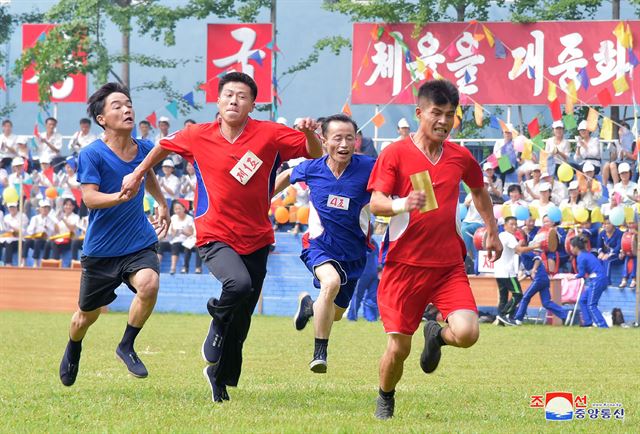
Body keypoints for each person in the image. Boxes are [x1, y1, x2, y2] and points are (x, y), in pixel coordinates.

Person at [120, 72, 322, 402]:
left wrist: (309, 134)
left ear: (252, 104)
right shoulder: (197, 135)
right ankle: (216, 316)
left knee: (242, 320)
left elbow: (312, 152)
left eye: (242, 96)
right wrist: (138, 172)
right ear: (218, 101)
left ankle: (218, 376)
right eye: (228, 94)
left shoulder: (270, 134)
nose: (234, 100)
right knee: (238, 286)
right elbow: (162, 146)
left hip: (257, 236)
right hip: (214, 233)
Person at [366, 79, 502, 420]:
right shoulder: (394, 153)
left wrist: (492, 229)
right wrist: (401, 204)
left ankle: (437, 335)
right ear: (419, 113)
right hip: (403, 267)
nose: (443, 121)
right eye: (436, 113)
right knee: (399, 349)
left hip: (447, 267)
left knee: (469, 333)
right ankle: (386, 397)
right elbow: (376, 202)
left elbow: (479, 190)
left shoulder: (460, 156)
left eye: (450, 114)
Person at [58, 82, 170, 388]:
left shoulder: (144, 148)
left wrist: (161, 202)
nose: (127, 109)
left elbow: (146, 175)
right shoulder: (92, 154)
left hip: (138, 241)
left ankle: (126, 345)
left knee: (149, 283)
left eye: (129, 104)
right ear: (102, 119)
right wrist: (121, 196)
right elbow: (89, 199)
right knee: (85, 317)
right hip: (101, 250)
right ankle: (74, 347)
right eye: (117, 106)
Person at [277, 114, 375, 373]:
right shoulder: (313, 168)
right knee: (330, 282)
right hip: (319, 245)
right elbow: (287, 174)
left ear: (357, 141)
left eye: (350, 139)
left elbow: (397, 178)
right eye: (337, 138)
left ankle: (310, 305)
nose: (344, 144)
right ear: (325, 141)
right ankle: (319, 353)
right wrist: (262, 198)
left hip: (354, 253)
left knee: (337, 313)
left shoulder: (369, 167)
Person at [494, 216, 539, 326]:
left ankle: (500, 320)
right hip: (508, 272)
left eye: (515, 225)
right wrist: (534, 247)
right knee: (518, 294)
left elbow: (514, 251)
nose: (514, 227)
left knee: (503, 297)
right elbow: (519, 250)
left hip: (499, 271)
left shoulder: (501, 235)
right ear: (505, 226)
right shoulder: (509, 236)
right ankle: (503, 315)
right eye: (511, 224)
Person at [513, 249, 568, 325]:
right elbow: (528, 272)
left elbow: (538, 259)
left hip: (539, 279)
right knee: (546, 303)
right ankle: (564, 315)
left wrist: (534, 270)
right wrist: (519, 280)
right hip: (544, 279)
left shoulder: (525, 253)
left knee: (525, 297)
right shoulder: (522, 257)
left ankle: (518, 319)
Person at [569, 236, 609, 328]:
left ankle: (602, 326)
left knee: (591, 305)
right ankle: (587, 323)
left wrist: (572, 277)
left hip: (597, 280)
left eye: (571, 247)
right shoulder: (587, 254)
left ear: (575, 247)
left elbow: (581, 274)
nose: (570, 249)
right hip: (597, 279)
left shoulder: (581, 257)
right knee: (583, 300)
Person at [347, 238, 380, 322]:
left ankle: (353, 317)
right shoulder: (374, 243)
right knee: (371, 296)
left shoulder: (360, 242)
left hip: (364, 274)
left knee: (359, 296)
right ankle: (370, 318)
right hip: (372, 273)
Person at [597, 217, 623, 284]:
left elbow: (618, 247)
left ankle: (607, 281)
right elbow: (599, 246)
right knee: (599, 259)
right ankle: (599, 279)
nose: (605, 226)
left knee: (607, 261)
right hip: (606, 254)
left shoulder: (619, 233)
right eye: (604, 224)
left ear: (613, 224)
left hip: (617, 256)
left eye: (608, 223)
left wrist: (609, 254)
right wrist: (601, 252)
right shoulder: (602, 233)